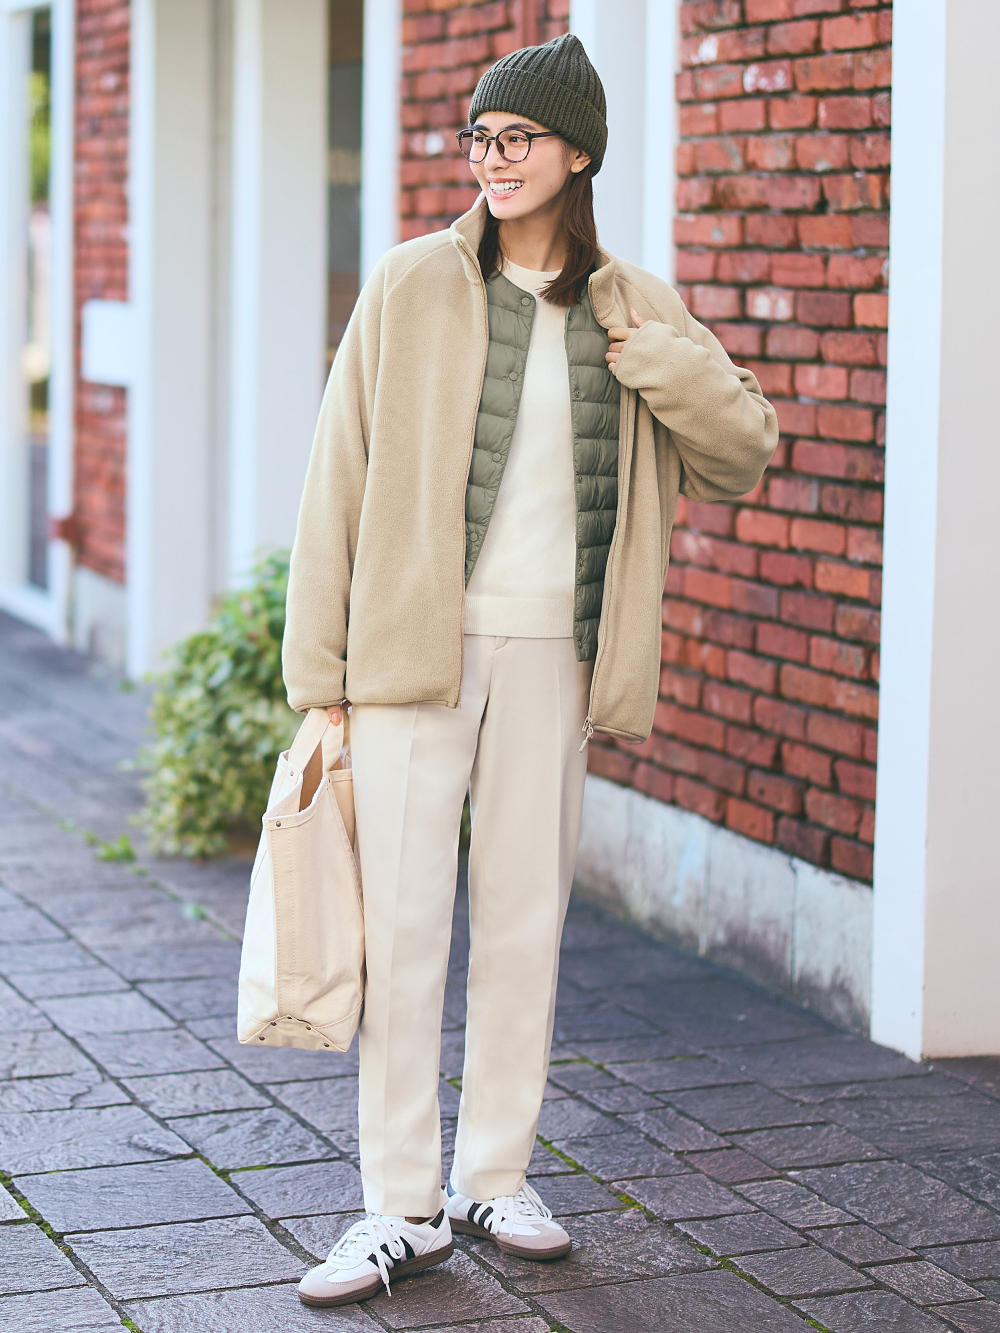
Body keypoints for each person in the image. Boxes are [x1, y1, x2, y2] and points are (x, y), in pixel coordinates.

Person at [285, 33, 777, 1308]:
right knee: (402, 929)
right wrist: (319, 667)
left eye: (517, 139)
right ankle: (397, 1206)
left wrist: (653, 358)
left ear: (578, 155)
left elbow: (742, 450)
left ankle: (493, 1174)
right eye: (481, 138)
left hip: (556, 654)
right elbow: (338, 471)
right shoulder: (409, 282)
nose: (492, 160)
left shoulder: (632, 302)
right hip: (412, 659)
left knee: (522, 922)